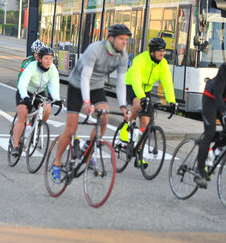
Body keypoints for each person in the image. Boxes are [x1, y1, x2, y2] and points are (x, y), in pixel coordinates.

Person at [51, 24, 130, 182]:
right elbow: (85, 77)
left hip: (96, 87)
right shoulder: (95, 49)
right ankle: (56, 163)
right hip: (77, 85)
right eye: (121, 39)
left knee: (104, 117)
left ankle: (88, 150)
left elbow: (121, 83)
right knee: (71, 128)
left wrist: (123, 107)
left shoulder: (123, 55)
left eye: (126, 40)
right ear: (111, 38)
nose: (124, 42)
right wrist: (86, 102)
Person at [119, 37, 177, 167]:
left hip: (147, 90)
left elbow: (168, 83)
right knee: (138, 104)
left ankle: (139, 157)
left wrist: (172, 102)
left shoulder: (163, 64)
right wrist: (142, 97)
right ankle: (125, 127)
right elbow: (136, 81)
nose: (163, 53)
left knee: (145, 126)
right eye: (159, 51)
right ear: (152, 52)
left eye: (163, 51)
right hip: (131, 86)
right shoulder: (139, 60)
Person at [11, 46, 61, 157]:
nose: (49, 61)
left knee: (47, 108)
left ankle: (36, 128)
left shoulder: (53, 69)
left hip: (40, 92)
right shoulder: (31, 67)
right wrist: (24, 97)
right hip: (26, 91)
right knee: (22, 115)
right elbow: (23, 83)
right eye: (46, 58)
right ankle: (15, 146)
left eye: (51, 59)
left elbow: (54, 86)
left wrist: (56, 99)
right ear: (40, 59)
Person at [194, 63, 226, 188]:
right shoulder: (224, 68)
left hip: (223, 102)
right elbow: (218, 93)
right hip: (211, 98)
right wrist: (223, 112)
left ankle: (213, 152)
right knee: (210, 132)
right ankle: (199, 171)